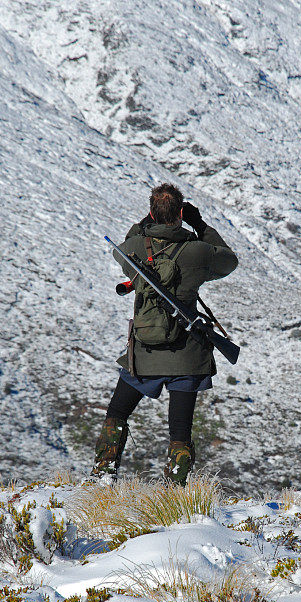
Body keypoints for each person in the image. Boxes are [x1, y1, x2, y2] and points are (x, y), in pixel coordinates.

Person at [90, 183, 238, 485]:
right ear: (180, 214)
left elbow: (128, 243)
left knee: (117, 412)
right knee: (180, 429)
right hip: (187, 355)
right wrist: (199, 224)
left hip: (144, 352)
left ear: (152, 212)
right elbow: (228, 259)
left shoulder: (133, 249)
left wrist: (147, 220)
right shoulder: (197, 252)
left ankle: (102, 478)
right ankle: (172, 491)